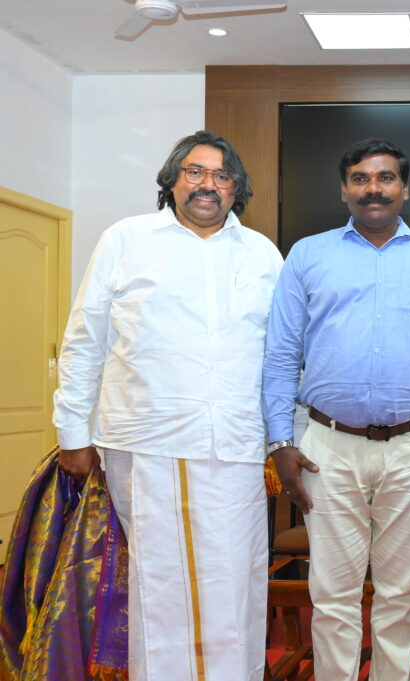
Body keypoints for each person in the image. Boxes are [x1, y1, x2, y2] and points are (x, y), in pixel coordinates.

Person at [53, 130, 283, 681]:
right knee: (160, 586)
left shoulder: (261, 253)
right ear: (172, 180)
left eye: (222, 176)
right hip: (147, 442)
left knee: (238, 580)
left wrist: (284, 436)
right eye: (195, 172)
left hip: (236, 445)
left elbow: (282, 353)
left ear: (236, 189)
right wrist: (72, 433)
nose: (208, 184)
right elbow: (85, 339)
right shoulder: (126, 239)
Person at [262, 138, 410, 681]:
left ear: (405, 189)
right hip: (327, 448)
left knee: (402, 591)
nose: (373, 188)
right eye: (361, 178)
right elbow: (280, 354)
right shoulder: (308, 255)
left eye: (385, 178)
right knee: (333, 594)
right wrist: (281, 441)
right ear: (344, 189)